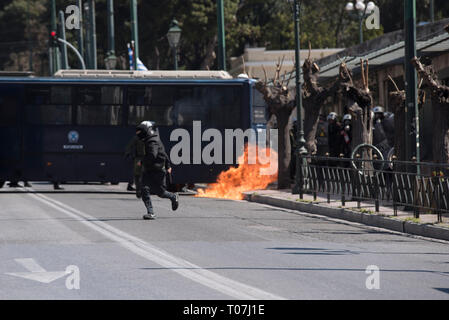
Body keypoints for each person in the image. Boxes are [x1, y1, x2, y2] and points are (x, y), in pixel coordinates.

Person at [135, 121, 179, 220]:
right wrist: (168, 165)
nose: (139, 135)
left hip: (157, 170)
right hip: (150, 170)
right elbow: (163, 153)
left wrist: (142, 161)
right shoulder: (153, 139)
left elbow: (153, 155)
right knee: (144, 189)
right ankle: (151, 213)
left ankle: (173, 197)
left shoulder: (152, 142)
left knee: (160, 192)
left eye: (141, 132)